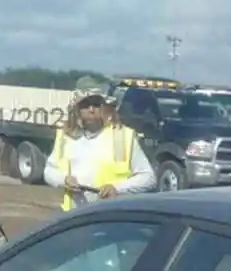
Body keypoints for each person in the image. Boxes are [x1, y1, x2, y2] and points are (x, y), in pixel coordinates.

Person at [43, 76, 155, 209]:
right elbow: (49, 171)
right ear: (77, 108)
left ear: (103, 106)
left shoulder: (122, 136)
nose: (91, 109)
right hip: (75, 216)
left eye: (96, 104)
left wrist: (117, 188)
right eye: (85, 105)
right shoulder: (66, 136)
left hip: (109, 216)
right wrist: (64, 180)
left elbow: (148, 178)